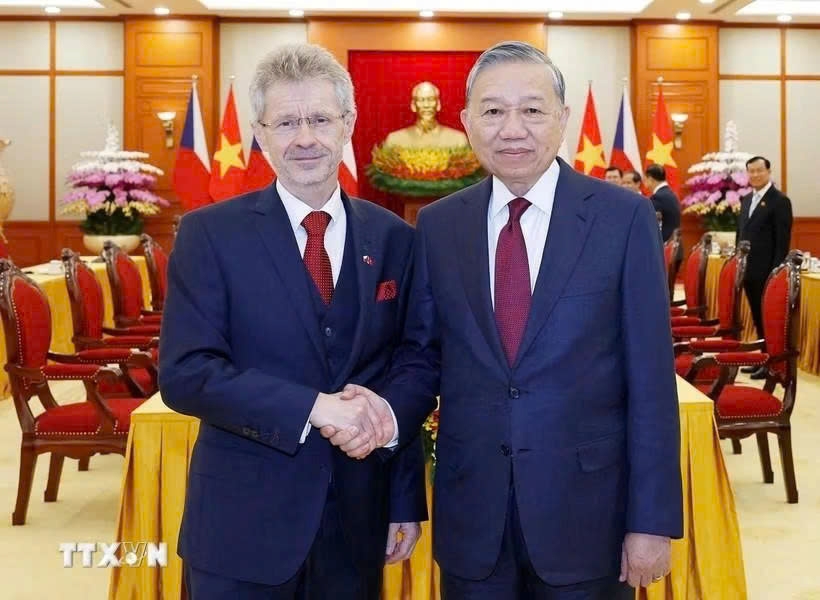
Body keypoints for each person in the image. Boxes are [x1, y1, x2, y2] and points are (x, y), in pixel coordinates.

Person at [343, 41, 683, 599]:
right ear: (467, 121)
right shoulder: (439, 226)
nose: (512, 128)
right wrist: (381, 417)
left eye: (532, 109)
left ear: (563, 118)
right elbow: (422, 361)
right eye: (493, 110)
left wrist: (651, 520)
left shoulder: (623, 218)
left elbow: (650, 380)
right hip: (472, 518)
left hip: (589, 517)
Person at [158, 43, 426, 600]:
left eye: (321, 119)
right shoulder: (210, 235)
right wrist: (312, 408)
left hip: (357, 525)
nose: (305, 138)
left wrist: (402, 500)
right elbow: (186, 374)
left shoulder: (395, 238)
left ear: (347, 123)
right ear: (260, 132)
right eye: (286, 122)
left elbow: (408, 365)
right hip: (239, 528)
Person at [736, 155, 793, 379]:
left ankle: (772, 365)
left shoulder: (779, 201)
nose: (755, 175)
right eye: (751, 171)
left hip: (767, 271)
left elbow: (782, 241)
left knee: (769, 319)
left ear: (769, 172)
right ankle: (763, 359)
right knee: (758, 318)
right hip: (749, 270)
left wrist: (775, 272)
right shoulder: (746, 199)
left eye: (760, 170)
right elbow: (741, 234)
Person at [383, 81, 469, 148]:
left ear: (438, 104)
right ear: (413, 105)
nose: (426, 105)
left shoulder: (458, 140)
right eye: (421, 100)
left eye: (431, 99)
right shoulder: (395, 140)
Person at [645, 163, 681, 242]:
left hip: (663, 244)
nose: (644, 182)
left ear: (650, 179)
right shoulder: (669, 193)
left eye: (645, 179)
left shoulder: (658, 197)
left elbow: (648, 221)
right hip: (672, 242)